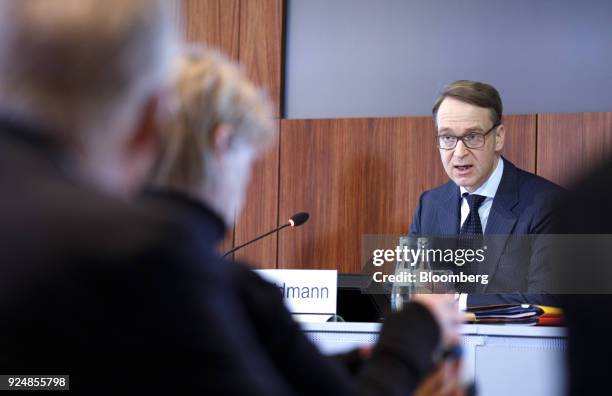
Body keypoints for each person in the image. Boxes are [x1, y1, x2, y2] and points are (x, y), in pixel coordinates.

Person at [144, 47, 466, 395]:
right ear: (221, 145)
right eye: (249, 159)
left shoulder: (101, 266)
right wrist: (415, 328)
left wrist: (349, 365)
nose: (246, 180)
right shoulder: (230, 292)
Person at [409, 80, 562, 308]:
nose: (459, 153)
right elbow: (409, 291)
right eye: (448, 138)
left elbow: (547, 299)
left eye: (472, 137)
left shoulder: (547, 204)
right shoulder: (429, 205)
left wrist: (457, 303)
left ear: (498, 136)